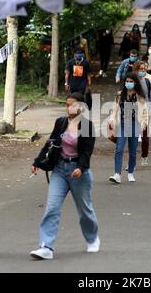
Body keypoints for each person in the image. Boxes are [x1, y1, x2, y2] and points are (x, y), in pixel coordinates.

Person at [30, 92, 99, 260]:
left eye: (72, 105)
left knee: (85, 210)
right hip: (60, 170)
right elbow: (50, 143)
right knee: (52, 208)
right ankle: (46, 247)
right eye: (67, 105)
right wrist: (37, 162)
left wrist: (81, 168)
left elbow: (86, 152)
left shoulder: (87, 126)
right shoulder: (60, 122)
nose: (69, 108)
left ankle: (92, 238)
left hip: (78, 172)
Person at [108, 73, 148, 184]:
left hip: (135, 124)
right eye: (127, 81)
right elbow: (114, 110)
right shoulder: (120, 95)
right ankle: (117, 174)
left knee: (133, 151)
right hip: (123, 124)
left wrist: (144, 123)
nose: (128, 83)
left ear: (135, 83)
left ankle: (130, 172)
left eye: (131, 81)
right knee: (119, 149)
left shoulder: (140, 96)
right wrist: (111, 121)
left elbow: (144, 112)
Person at [133, 61, 151, 166]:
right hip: (133, 112)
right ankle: (131, 160)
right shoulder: (131, 81)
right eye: (140, 69)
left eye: (143, 69)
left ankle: (144, 156)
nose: (142, 71)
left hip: (144, 112)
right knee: (131, 137)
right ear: (136, 70)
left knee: (145, 137)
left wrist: (150, 111)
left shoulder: (147, 82)